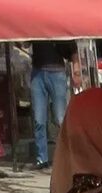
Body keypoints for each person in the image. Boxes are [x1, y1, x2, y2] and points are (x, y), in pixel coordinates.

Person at [28, 39, 74, 170]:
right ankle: (41, 158)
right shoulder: (35, 23)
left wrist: (76, 69)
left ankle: (67, 156)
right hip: (38, 72)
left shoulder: (57, 23)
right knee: (39, 119)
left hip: (57, 72)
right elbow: (25, 42)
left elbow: (72, 48)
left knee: (60, 118)